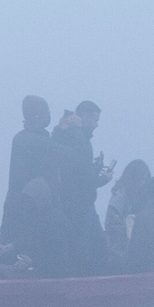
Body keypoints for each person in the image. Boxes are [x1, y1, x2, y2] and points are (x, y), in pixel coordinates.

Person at [51, 101, 112, 274]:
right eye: (95, 120)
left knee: (92, 245)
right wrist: (103, 180)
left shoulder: (64, 136)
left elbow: (76, 169)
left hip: (77, 204)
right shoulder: (79, 139)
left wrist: (94, 168)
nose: (97, 125)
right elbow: (82, 179)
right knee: (89, 249)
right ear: (83, 117)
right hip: (79, 206)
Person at [0, 95, 58, 243]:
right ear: (37, 115)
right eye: (46, 112)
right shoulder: (34, 140)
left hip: (21, 206)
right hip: (31, 210)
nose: (49, 116)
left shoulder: (23, 138)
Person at [0, 178, 72, 278]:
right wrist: (0, 251)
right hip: (25, 270)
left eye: (30, 200)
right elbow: (20, 246)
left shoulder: (56, 221)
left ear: (41, 199)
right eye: (24, 200)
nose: (26, 204)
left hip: (47, 275)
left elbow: (59, 260)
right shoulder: (26, 219)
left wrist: (32, 262)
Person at [103, 159, 151, 270]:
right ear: (133, 178)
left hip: (138, 249)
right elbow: (111, 223)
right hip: (120, 251)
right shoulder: (120, 196)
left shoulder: (142, 196)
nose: (143, 182)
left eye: (145, 179)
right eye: (141, 179)